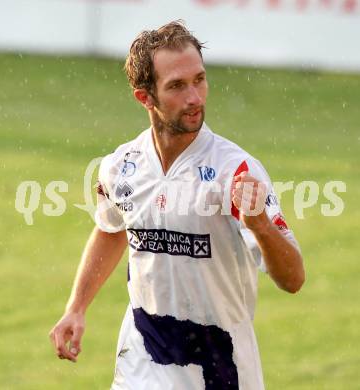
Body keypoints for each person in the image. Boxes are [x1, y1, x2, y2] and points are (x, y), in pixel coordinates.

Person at [49, 20, 305, 389]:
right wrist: (76, 307)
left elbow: (293, 279)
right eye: (177, 86)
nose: (195, 97)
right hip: (143, 359)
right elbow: (112, 230)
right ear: (145, 97)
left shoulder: (236, 171)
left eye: (199, 80)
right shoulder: (121, 166)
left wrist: (260, 224)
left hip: (221, 363)